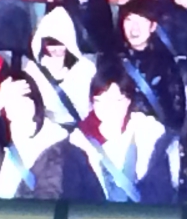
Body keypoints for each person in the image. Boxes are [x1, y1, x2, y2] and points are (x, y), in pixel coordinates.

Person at [0, 74, 105, 201]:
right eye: (10, 101)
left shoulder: (56, 146)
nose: (18, 106)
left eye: (24, 100)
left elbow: (48, 200)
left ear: (35, 104)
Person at [69, 63, 177, 204]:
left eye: (117, 100)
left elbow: (161, 190)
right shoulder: (79, 141)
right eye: (100, 100)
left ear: (128, 101)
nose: (109, 107)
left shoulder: (148, 132)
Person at [116, 0, 187, 132]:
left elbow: (177, 108)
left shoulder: (166, 61)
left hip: (156, 132)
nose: (134, 28)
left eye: (141, 21)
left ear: (153, 27)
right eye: (129, 20)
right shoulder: (111, 59)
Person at [22, 5, 96, 127]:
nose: (56, 49)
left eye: (61, 43)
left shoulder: (86, 68)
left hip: (82, 132)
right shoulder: (32, 71)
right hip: (49, 133)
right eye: (51, 43)